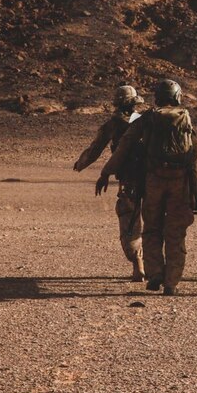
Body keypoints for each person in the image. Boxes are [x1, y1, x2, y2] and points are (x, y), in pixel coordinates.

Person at [97, 79, 197, 296]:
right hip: (179, 181)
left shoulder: (147, 118)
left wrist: (106, 172)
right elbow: (193, 154)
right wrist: (193, 190)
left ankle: (154, 275)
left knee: (152, 228)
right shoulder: (185, 117)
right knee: (175, 232)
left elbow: (125, 145)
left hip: (154, 180)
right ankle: (171, 283)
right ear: (178, 96)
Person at [73, 85, 146, 281]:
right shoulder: (147, 122)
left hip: (129, 180)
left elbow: (96, 148)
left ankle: (138, 265)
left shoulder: (113, 124)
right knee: (154, 222)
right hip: (152, 179)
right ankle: (157, 267)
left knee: (129, 220)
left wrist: (81, 164)